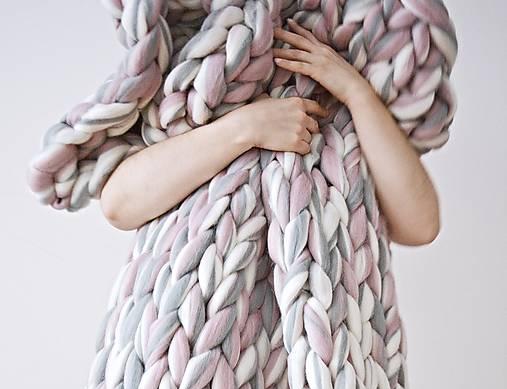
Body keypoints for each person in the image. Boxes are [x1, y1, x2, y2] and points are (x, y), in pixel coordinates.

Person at [101, 18, 440, 247]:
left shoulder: (367, 65)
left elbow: (420, 225)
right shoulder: (187, 72)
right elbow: (120, 204)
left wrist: (356, 92)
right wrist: (248, 127)